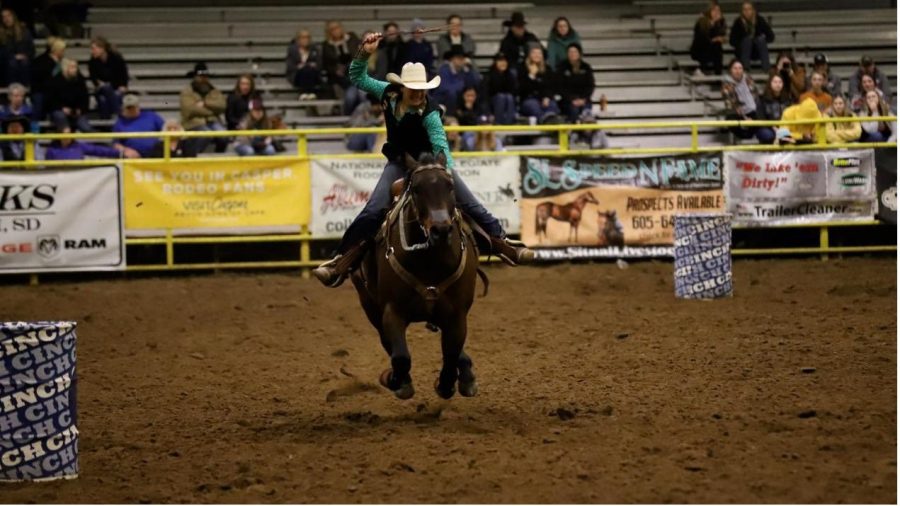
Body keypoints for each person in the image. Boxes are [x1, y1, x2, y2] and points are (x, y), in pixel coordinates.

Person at [312, 32, 534, 288]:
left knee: (471, 205)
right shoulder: (387, 93)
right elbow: (357, 77)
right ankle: (341, 260)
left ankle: (503, 244)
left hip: (431, 165)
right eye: (414, 89)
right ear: (402, 87)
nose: (419, 94)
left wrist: (445, 171)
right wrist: (364, 52)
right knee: (373, 209)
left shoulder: (429, 114)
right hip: (398, 162)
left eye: (422, 89)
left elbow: (440, 143)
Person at [180, 62, 227, 156]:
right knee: (206, 133)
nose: (203, 79)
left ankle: (219, 156)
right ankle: (193, 155)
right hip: (193, 122)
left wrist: (205, 103)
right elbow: (189, 109)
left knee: (224, 135)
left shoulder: (214, 90)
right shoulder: (186, 92)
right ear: (195, 77)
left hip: (213, 121)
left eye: (205, 76)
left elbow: (222, 105)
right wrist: (212, 111)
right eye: (200, 76)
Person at [321, 21, 361, 115]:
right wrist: (335, 70)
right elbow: (326, 64)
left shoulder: (352, 38)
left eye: (337, 28)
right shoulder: (326, 45)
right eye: (333, 29)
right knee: (351, 97)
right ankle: (348, 116)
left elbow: (358, 53)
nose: (336, 31)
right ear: (329, 32)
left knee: (359, 96)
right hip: (340, 78)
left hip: (356, 71)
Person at [433, 44, 481, 117]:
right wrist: (463, 86)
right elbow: (445, 88)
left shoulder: (465, 70)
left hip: (458, 100)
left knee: (471, 94)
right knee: (452, 93)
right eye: (459, 58)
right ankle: (451, 117)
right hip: (443, 101)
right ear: (452, 59)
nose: (461, 60)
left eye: (463, 58)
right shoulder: (444, 70)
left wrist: (470, 68)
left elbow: (475, 83)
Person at [46, 58, 93, 133]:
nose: (75, 69)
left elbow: (85, 97)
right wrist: (62, 108)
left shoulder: (80, 79)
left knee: (87, 128)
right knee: (60, 116)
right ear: (65, 68)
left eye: (76, 67)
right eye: (72, 67)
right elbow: (50, 100)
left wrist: (80, 109)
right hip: (59, 110)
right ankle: (66, 133)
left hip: (76, 112)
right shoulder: (55, 81)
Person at [87, 36, 128, 118]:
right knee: (106, 88)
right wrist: (101, 84)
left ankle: (107, 125)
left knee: (104, 100)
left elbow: (123, 75)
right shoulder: (92, 62)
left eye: (94, 48)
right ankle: (119, 114)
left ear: (102, 49)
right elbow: (94, 79)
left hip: (116, 87)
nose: (92, 51)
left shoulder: (116, 58)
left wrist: (123, 86)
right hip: (101, 89)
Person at [112, 93, 164, 158]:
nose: (131, 110)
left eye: (133, 107)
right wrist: (125, 150)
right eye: (129, 108)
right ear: (123, 108)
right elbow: (116, 144)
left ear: (138, 106)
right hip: (133, 158)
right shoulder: (119, 123)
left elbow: (166, 129)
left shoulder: (151, 116)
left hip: (156, 155)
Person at [518, 44, 560, 122]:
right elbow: (521, 89)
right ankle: (545, 122)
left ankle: (552, 123)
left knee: (552, 105)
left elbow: (551, 86)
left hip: (544, 98)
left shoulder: (547, 69)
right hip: (528, 99)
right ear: (529, 55)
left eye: (539, 53)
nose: (537, 55)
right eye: (534, 53)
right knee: (534, 106)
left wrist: (547, 97)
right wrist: (531, 76)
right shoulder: (522, 68)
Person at [729, 1, 774, 72]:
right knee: (747, 40)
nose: (747, 12)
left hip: (757, 50)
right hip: (743, 51)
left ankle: (766, 69)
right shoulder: (738, 22)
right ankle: (745, 69)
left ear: (753, 10)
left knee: (760, 40)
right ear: (742, 11)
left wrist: (759, 39)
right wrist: (742, 42)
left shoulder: (759, 20)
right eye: (744, 9)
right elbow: (732, 41)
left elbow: (771, 36)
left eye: (749, 9)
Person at [722, 58, 759, 140]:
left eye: (740, 68)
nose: (738, 71)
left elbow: (755, 95)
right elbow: (731, 104)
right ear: (730, 70)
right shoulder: (726, 84)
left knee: (760, 117)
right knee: (731, 121)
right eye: (735, 68)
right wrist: (745, 118)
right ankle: (743, 137)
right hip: (736, 112)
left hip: (751, 109)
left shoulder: (748, 79)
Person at [45, 124, 129, 160]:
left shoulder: (78, 146)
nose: (67, 137)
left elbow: (98, 150)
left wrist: (121, 152)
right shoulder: (52, 150)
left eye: (69, 134)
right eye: (64, 134)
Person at [556, 43, 594, 123]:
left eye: (575, 52)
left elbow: (590, 85)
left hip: (584, 99)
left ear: (579, 54)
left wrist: (583, 99)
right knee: (573, 110)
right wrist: (572, 99)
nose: (572, 54)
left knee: (586, 111)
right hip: (567, 100)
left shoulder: (586, 67)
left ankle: (587, 132)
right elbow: (559, 87)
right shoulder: (561, 67)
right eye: (570, 52)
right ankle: (574, 131)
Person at [29, 36, 65, 121]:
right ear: (56, 50)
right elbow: (41, 81)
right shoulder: (40, 61)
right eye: (62, 50)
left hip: (56, 91)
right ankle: (35, 127)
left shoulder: (62, 62)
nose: (64, 52)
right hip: (41, 91)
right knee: (39, 99)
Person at [455, 86, 497, 151]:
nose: (470, 98)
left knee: (493, 135)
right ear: (463, 96)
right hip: (464, 134)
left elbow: (481, 120)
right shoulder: (459, 108)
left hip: (479, 132)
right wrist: (468, 110)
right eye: (468, 95)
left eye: (472, 96)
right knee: (467, 135)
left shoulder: (480, 107)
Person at [690, 2, 727, 76]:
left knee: (717, 46)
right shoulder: (702, 21)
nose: (716, 13)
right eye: (714, 10)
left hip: (712, 50)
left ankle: (718, 75)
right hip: (699, 49)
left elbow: (721, 36)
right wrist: (712, 24)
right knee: (715, 45)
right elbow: (702, 38)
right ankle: (702, 69)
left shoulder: (720, 22)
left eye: (718, 11)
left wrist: (717, 24)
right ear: (709, 11)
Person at [481, 52, 517, 125]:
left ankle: (508, 124)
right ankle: (498, 122)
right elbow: (484, 96)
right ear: (495, 63)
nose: (503, 63)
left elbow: (514, 93)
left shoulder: (510, 76)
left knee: (509, 97)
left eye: (504, 61)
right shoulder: (489, 76)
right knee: (501, 97)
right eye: (500, 61)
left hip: (508, 102)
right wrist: (488, 113)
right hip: (493, 104)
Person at [754, 73, 791, 144]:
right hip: (767, 127)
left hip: (783, 127)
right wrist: (773, 128)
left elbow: (790, 116)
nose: (778, 84)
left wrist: (781, 128)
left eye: (780, 82)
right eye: (775, 82)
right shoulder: (762, 99)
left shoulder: (787, 100)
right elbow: (761, 118)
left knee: (786, 136)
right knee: (768, 135)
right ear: (770, 83)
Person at [285, 29, 323, 100]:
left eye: (308, 37)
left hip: (313, 75)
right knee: (304, 69)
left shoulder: (315, 49)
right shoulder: (292, 50)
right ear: (298, 39)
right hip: (298, 75)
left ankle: (309, 93)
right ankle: (305, 92)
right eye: (303, 37)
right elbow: (290, 66)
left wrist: (313, 65)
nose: (306, 40)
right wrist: (298, 67)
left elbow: (320, 64)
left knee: (308, 69)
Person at [0, 8, 33, 86]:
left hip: (23, 60)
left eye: (8, 16)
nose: (6, 19)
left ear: (13, 17)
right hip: (5, 61)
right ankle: (13, 90)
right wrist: (13, 56)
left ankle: (24, 90)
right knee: (12, 63)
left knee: (24, 62)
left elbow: (31, 49)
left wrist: (24, 55)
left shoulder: (24, 31)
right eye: (3, 17)